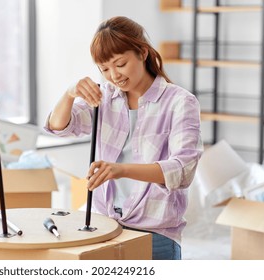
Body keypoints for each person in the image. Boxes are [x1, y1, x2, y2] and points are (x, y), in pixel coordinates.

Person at [44, 16, 203, 260]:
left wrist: (121, 170)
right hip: (103, 221)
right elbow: (60, 127)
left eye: (120, 64)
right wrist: (69, 93)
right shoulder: (104, 97)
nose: (114, 75)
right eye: (104, 69)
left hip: (154, 230)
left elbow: (182, 171)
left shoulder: (180, 102)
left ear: (142, 53)